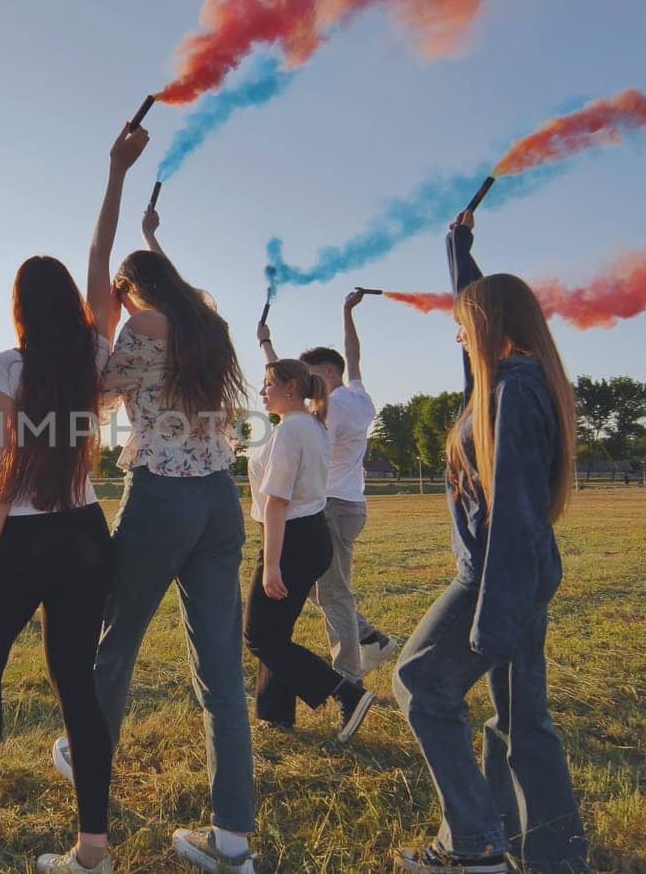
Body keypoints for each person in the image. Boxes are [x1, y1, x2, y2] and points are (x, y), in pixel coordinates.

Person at [51, 127, 258, 874]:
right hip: (220, 507)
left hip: (163, 501)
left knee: (117, 638)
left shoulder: (141, 325)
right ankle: (232, 839)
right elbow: (162, 287)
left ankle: (85, 752)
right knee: (220, 675)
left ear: (130, 293)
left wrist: (113, 180)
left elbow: (98, 389)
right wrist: (149, 241)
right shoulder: (211, 327)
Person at [392, 210, 588, 873]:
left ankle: (473, 848)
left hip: (498, 574)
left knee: (419, 683)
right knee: (520, 725)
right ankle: (553, 859)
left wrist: (494, 615)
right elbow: (474, 325)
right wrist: (458, 250)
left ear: (487, 326)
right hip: (523, 572)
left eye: (463, 319)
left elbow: (514, 512)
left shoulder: (513, 391)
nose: (455, 328)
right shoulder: (513, 379)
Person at [0, 256, 116, 873]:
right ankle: (93, 852)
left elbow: (1, 469)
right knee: (78, 689)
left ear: (20, 307)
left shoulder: (8, 365)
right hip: (87, 536)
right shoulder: (93, 355)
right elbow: (101, 276)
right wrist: (116, 176)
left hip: (25, 541)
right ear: (72, 305)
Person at [258, 289, 397, 696]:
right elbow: (353, 353)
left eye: (308, 373)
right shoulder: (360, 398)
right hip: (349, 504)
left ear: (325, 374)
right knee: (319, 588)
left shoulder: (329, 407)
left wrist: (266, 344)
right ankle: (370, 637)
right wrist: (346, 310)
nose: (303, 380)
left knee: (333, 592)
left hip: (331, 507)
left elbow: (287, 391)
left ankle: (349, 681)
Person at [242, 360, 376, 739]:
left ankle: (345, 693)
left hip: (290, 537)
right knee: (277, 633)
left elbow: (277, 501)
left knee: (259, 637)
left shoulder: (290, 431)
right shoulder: (314, 425)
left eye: (268, 384)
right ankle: (275, 714)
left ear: (291, 388)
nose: (262, 391)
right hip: (311, 535)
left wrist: (271, 565)